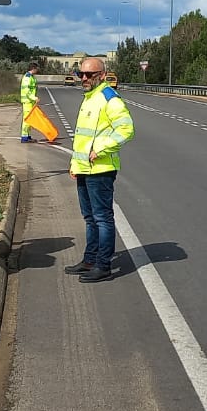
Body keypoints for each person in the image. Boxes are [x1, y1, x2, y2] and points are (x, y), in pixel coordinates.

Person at [65, 58, 134, 283]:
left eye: (89, 74)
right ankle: (90, 260)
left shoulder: (109, 98)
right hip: (85, 168)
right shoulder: (89, 98)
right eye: (81, 74)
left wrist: (101, 148)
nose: (84, 78)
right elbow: (83, 137)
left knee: (102, 218)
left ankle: (103, 265)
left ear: (102, 75)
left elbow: (126, 129)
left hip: (101, 169)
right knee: (89, 218)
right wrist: (75, 165)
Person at [19, 62, 39, 142]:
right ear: (33, 69)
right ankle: (24, 137)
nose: (37, 70)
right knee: (27, 120)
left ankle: (27, 136)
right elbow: (27, 91)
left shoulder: (32, 77)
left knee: (30, 120)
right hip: (27, 102)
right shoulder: (27, 78)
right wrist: (34, 98)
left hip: (30, 102)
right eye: (36, 69)